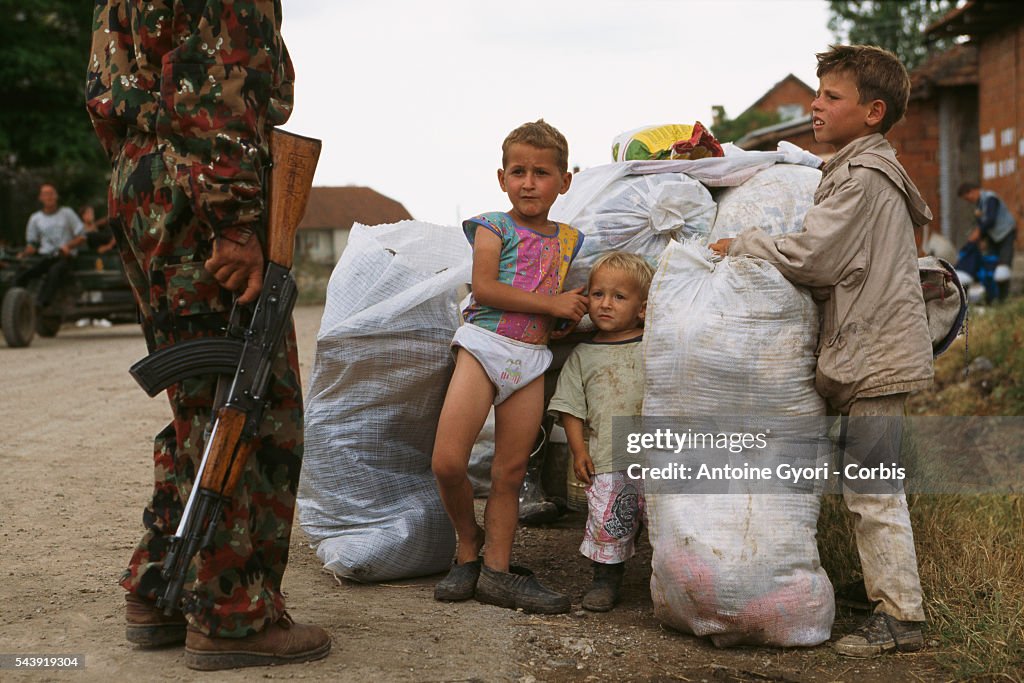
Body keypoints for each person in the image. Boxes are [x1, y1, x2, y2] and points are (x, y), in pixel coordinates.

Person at [86, 0, 330, 671]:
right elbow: (210, 79)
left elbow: (115, 83)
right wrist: (233, 218)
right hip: (196, 188)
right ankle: (231, 615)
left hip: (147, 179)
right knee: (254, 406)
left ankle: (161, 587)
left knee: (200, 400)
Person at [710, 45, 932, 658]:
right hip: (871, 350)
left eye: (832, 96)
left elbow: (815, 258)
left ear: (871, 112)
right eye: (819, 92)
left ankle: (902, 618)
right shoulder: (860, 170)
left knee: (873, 488)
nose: (815, 104)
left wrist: (744, 243)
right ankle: (884, 592)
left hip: (877, 356)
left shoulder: (861, 179)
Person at [431, 120, 587, 614]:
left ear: (564, 181)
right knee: (448, 461)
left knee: (511, 471)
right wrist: (553, 306)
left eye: (541, 172)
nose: (528, 182)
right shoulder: (491, 227)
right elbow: (486, 289)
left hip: (531, 360)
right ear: (502, 178)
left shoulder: (570, 240)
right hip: (483, 347)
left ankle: (496, 571)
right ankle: (466, 545)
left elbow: (554, 297)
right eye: (518, 171)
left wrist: (563, 318)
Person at [548, 252, 653, 612]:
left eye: (619, 297)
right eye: (597, 295)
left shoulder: (656, 345)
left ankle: (668, 582)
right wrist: (579, 451)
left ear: (642, 309)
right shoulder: (583, 355)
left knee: (668, 524)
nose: (605, 304)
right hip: (610, 456)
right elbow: (570, 408)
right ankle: (606, 580)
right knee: (609, 522)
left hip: (659, 457)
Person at [16, 183, 85, 310]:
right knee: (26, 273)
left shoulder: (67, 213)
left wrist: (68, 246)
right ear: (40, 198)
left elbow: (82, 236)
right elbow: (32, 244)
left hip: (64, 257)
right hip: (46, 257)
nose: (49, 197)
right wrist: (24, 254)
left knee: (55, 271)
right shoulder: (35, 218)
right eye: (45, 194)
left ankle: (42, 304)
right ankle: (16, 302)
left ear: (56, 196)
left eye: (51, 194)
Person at [957, 182, 1016, 303]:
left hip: (1005, 233)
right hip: (993, 237)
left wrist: (978, 232)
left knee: (1003, 267)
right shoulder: (979, 204)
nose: (969, 201)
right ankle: (993, 296)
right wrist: (981, 238)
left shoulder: (990, 198)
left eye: (968, 198)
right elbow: (982, 223)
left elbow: (990, 220)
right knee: (991, 265)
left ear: (972, 191)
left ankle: (1003, 298)